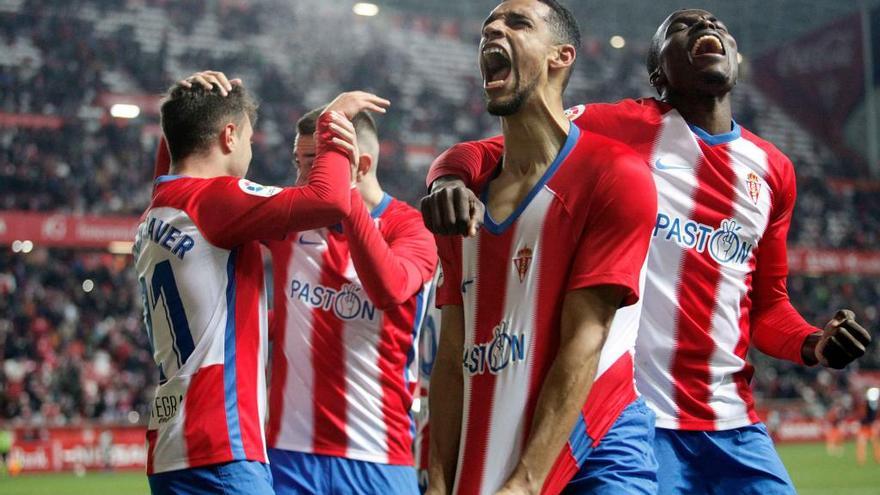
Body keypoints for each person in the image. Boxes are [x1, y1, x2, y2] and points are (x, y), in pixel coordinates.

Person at [420, 8, 874, 494]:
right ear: (658, 72)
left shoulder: (775, 171)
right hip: (638, 419)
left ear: (738, 60)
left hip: (734, 425)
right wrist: (448, 177)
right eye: (682, 26)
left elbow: (768, 306)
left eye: (717, 24)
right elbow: (492, 150)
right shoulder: (617, 127)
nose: (705, 26)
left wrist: (812, 343)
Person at [426, 1, 658, 494]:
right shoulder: (461, 204)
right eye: (488, 26)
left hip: (596, 450)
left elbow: (584, 341)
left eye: (517, 23)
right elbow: (451, 357)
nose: (493, 30)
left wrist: (527, 483)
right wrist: (439, 479)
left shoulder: (615, 176)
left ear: (561, 56)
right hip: (488, 458)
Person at [135, 70, 389, 494]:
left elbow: (176, 159)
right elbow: (328, 200)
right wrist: (332, 120)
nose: (251, 150)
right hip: (220, 448)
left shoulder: (159, 209)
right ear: (229, 136)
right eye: (251, 139)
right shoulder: (214, 200)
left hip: (169, 450)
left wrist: (178, 118)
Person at [264, 106, 437, 494]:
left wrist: (347, 197)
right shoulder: (290, 221)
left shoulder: (412, 229)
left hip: (377, 458)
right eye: (300, 162)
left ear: (358, 164)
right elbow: (209, 201)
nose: (302, 177)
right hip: (289, 458)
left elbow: (389, 288)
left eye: (314, 163)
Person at [856, 387, 880, 465]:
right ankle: (863, 460)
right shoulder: (870, 403)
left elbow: (867, 415)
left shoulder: (869, 403)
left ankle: (875, 459)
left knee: (869, 443)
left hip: (867, 426)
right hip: (866, 426)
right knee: (872, 443)